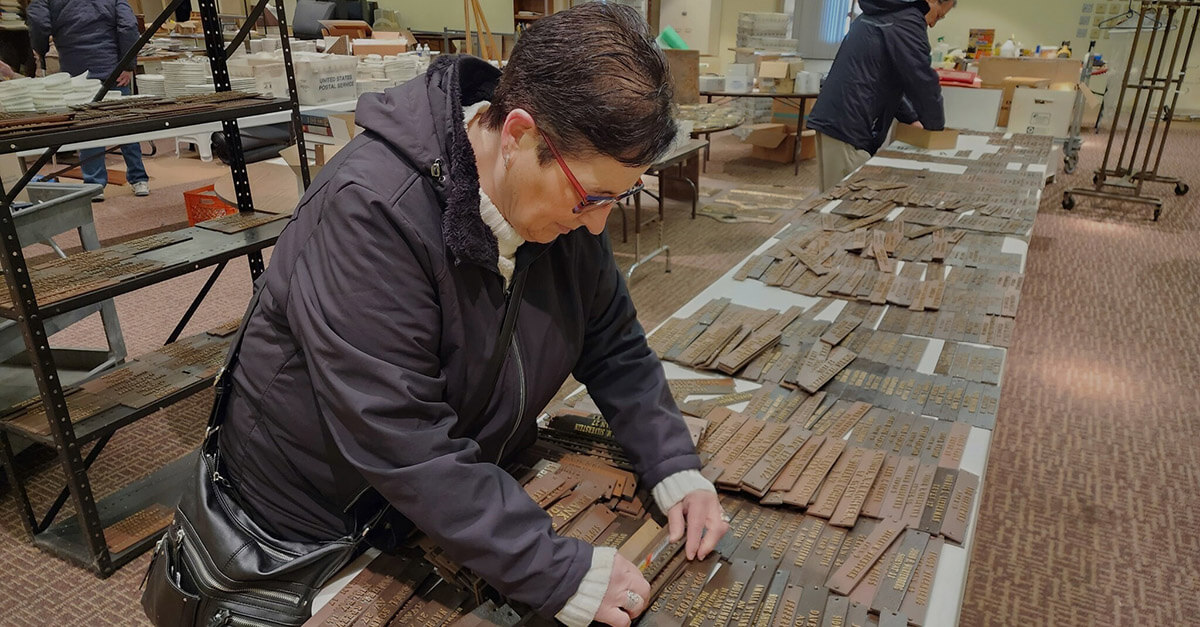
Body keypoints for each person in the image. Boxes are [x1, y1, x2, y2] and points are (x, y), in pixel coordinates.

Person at [190, 4, 727, 627]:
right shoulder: (371, 210)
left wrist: (672, 464)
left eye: (618, 196)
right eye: (592, 197)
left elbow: (612, 343)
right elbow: (399, 433)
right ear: (520, 136)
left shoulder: (565, 202)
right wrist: (548, 566)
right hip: (312, 526)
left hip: (436, 500)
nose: (600, 222)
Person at [808, 0, 957, 191]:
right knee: (847, 202)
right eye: (938, 15)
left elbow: (888, 81)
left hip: (837, 119)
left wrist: (911, 119)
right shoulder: (908, 22)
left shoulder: (884, 13)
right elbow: (923, 82)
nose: (933, 24)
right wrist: (936, 133)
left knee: (833, 195)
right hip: (849, 126)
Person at [27, 0, 151, 201]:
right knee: (125, 126)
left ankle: (94, 185)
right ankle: (139, 180)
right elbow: (128, 26)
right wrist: (128, 64)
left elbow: (38, 22)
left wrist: (40, 51)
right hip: (113, 69)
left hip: (76, 72)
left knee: (87, 129)